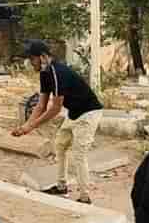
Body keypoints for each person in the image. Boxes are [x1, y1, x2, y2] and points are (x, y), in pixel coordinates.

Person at [12, 39, 104, 204]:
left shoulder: (57, 72)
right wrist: (26, 127)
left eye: (32, 58)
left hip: (89, 113)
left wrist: (31, 125)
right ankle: (62, 186)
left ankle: (85, 197)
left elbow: (54, 109)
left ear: (43, 57)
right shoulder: (44, 73)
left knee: (79, 154)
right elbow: (41, 105)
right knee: (60, 145)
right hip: (74, 112)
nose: (29, 62)